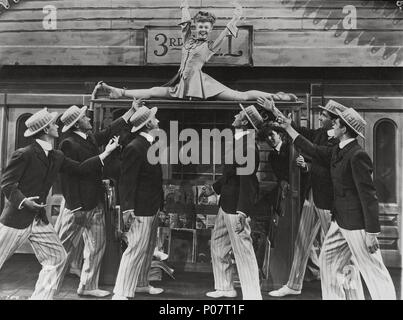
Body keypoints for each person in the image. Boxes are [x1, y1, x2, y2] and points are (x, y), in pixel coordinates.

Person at [276, 107, 396, 300]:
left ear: (345, 129)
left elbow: (369, 196)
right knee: (328, 262)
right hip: (339, 221)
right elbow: (312, 149)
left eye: (337, 122)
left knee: (374, 271)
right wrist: (289, 128)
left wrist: (372, 233)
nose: (333, 123)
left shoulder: (357, 155)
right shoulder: (337, 150)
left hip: (357, 225)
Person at [0, 108, 119, 300]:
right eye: (54, 124)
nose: (58, 126)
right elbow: (7, 184)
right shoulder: (24, 154)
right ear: (46, 129)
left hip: (38, 220)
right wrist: (23, 200)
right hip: (16, 219)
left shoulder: (56, 156)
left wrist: (105, 154)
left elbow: (80, 169)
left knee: (57, 258)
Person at [93, 0, 297, 102]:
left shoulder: (209, 46)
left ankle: (279, 97)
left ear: (209, 30)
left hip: (202, 85)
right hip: (181, 84)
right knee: (155, 91)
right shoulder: (187, 40)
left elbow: (226, 33)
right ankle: (120, 91)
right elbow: (184, 23)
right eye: (200, 26)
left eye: (206, 27)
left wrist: (237, 16)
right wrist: (184, 5)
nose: (203, 29)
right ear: (196, 26)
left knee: (241, 97)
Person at [261, 99, 356, 298]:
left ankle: (350, 289)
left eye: (324, 115)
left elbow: (318, 156)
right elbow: (295, 128)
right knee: (302, 242)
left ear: (335, 121)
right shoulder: (321, 134)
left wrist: (308, 166)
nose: (320, 117)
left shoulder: (341, 142)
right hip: (312, 196)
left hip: (329, 202)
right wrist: (273, 109)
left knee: (340, 248)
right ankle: (294, 284)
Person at [55, 101, 137, 297]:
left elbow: (108, 131)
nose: (89, 118)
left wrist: (131, 112)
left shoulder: (87, 137)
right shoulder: (68, 143)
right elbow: (71, 176)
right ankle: (49, 287)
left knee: (96, 246)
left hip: (95, 202)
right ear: (77, 124)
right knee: (61, 250)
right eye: (84, 117)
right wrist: (75, 207)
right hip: (78, 205)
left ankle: (88, 286)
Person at [201, 104, 262, 300]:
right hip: (226, 204)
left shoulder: (249, 146)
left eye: (240, 114)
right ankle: (225, 287)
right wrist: (214, 188)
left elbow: (248, 181)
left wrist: (243, 211)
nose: (236, 115)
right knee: (218, 244)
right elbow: (231, 176)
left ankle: (253, 296)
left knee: (243, 251)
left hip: (236, 207)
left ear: (244, 122)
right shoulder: (238, 142)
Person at [112, 106, 164, 300]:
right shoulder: (135, 147)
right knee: (135, 249)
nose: (157, 121)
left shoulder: (149, 145)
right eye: (154, 118)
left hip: (151, 207)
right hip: (140, 209)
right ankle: (120, 292)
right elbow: (126, 181)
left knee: (148, 248)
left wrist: (160, 206)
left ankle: (141, 283)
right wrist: (128, 209)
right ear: (148, 124)